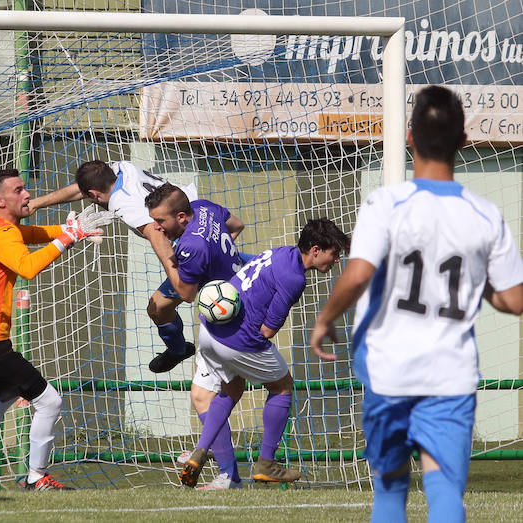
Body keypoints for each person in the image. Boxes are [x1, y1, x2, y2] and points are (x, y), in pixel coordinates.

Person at [310, 85, 523, 522]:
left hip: (389, 371)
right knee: (444, 493)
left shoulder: (386, 203)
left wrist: (324, 318)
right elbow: (514, 300)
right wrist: (476, 280)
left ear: (410, 138)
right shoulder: (485, 215)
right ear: (465, 141)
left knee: (390, 494)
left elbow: (359, 272)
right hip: (450, 374)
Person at [146, 183, 349, 487]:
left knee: (232, 386)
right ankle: (266, 464)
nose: (335, 262)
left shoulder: (278, 253)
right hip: (237, 340)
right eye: (334, 255)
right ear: (316, 250)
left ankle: (200, 452)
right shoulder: (294, 279)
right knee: (281, 387)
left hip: (210, 329)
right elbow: (268, 329)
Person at [0, 169, 113, 491]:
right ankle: (37, 476)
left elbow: (31, 234)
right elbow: (28, 268)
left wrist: (68, 230)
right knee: (49, 402)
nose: (27, 195)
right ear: (0, 200)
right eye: (19, 190)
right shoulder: (3, 234)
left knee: (7, 392)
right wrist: (69, 236)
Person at [28, 160, 247, 373]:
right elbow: (82, 188)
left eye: (89, 196)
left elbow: (156, 233)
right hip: (199, 213)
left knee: (158, 307)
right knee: (243, 268)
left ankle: (180, 350)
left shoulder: (122, 204)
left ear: (94, 195)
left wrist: (175, 268)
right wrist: (36, 204)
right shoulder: (121, 168)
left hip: (188, 239)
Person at [138, 183, 248, 489]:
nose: (157, 228)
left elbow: (186, 294)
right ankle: (218, 456)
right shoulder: (206, 207)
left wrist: (167, 254)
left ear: (183, 217)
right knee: (227, 390)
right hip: (238, 300)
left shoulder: (190, 246)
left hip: (227, 322)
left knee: (203, 396)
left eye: (161, 222)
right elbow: (236, 225)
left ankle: (228, 474)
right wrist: (216, 265)